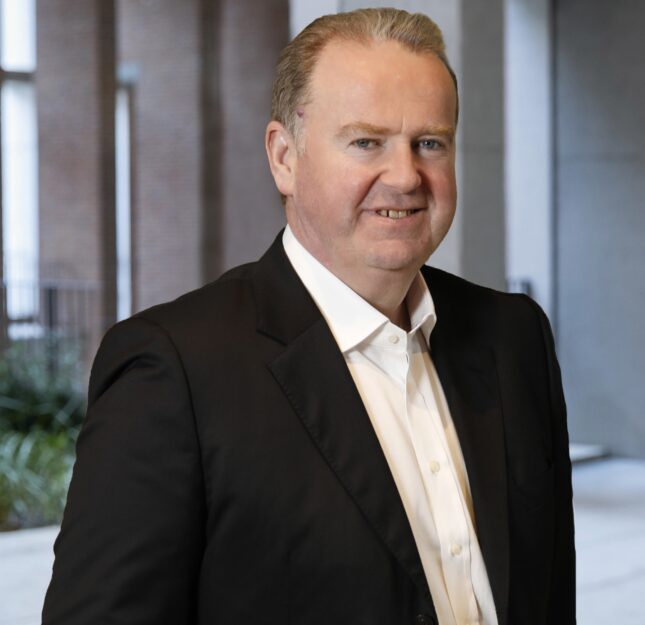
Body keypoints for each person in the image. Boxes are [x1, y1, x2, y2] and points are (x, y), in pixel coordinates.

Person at [42, 8, 575, 625]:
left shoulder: (515, 337)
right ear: (284, 158)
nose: (406, 175)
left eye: (430, 143)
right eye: (366, 142)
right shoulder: (174, 372)